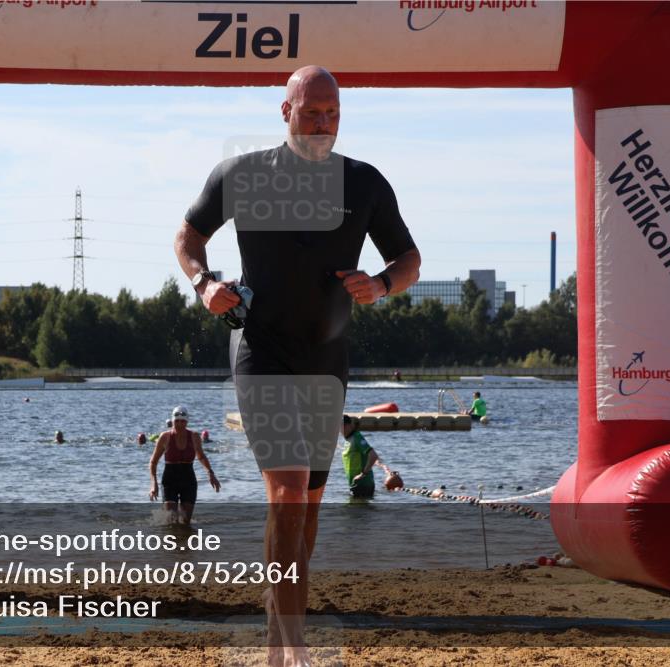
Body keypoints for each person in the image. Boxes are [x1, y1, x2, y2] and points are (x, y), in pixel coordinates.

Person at [174, 65, 420, 666]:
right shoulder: (245, 173)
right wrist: (204, 283)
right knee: (285, 495)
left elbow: (408, 257)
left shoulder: (363, 183)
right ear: (284, 111)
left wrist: (382, 285)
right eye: (311, 111)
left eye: (332, 113)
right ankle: (295, 653)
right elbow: (187, 234)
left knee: (306, 513)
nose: (322, 123)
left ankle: (279, 636)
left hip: (326, 360)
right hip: (262, 350)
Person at [148, 406, 221, 524]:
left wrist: (211, 474)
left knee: (185, 521)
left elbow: (201, 456)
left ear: (187, 421)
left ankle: (185, 542)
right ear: (172, 421)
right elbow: (153, 462)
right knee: (171, 520)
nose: (180, 424)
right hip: (169, 480)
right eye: (177, 421)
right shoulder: (165, 437)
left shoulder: (194, 436)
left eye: (183, 421)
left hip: (188, 480)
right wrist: (154, 484)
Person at [341, 416, 380, 499]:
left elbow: (373, 455)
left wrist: (363, 474)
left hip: (363, 484)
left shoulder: (357, 437)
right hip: (355, 484)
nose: (340, 430)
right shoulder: (348, 439)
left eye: (342, 426)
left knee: (358, 511)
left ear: (349, 425)